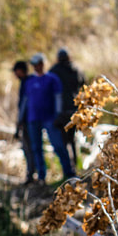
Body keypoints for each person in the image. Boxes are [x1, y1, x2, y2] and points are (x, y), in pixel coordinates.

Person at [20, 53, 76, 183]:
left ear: (43, 64)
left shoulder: (52, 79)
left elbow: (58, 97)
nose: (36, 67)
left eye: (38, 64)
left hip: (50, 118)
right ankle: (41, 176)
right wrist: (20, 118)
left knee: (58, 145)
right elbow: (25, 101)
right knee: (36, 148)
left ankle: (69, 172)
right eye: (34, 64)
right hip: (33, 119)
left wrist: (58, 114)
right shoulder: (29, 81)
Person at [49, 48, 86, 171]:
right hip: (75, 110)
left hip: (61, 111)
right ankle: (75, 165)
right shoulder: (76, 69)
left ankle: (68, 169)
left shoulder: (54, 71)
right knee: (73, 139)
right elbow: (84, 87)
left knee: (64, 140)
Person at [12, 60, 37, 183]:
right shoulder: (28, 81)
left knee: (30, 147)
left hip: (29, 120)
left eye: (16, 72)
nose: (15, 74)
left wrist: (19, 122)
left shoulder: (28, 82)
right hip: (29, 119)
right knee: (31, 147)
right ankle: (32, 172)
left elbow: (24, 104)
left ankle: (32, 173)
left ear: (21, 71)